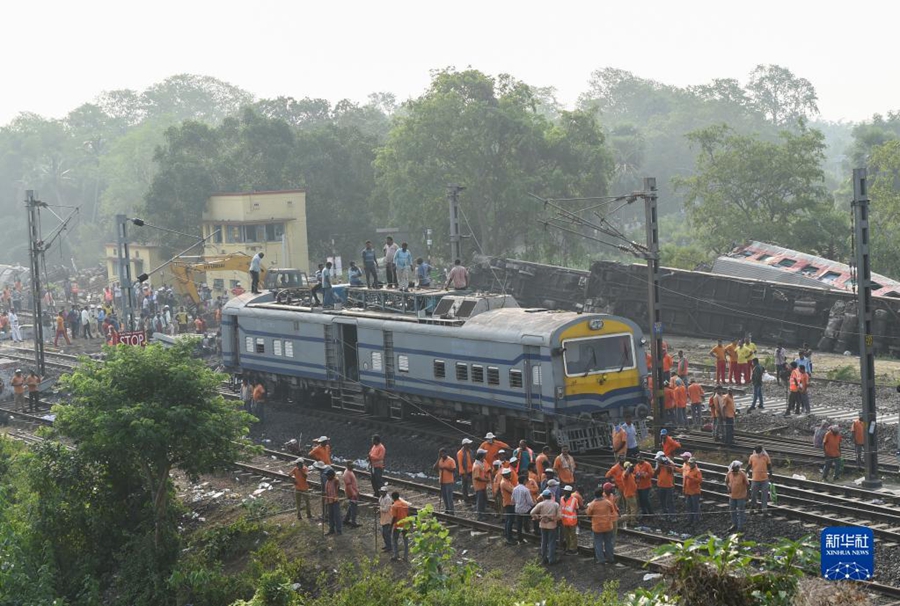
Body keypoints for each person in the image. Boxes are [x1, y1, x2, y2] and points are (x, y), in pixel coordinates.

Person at [586, 488, 618, 564]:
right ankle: (610, 559)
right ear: (602, 494)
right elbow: (612, 510)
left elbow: (588, 513)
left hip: (597, 527)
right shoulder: (607, 502)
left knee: (598, 544)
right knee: (608, 543)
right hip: (608, 526)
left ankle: (601, 560)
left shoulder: (592, 504)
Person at [530, 489, 561, 565]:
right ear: (550, 496)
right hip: (552, 526)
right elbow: (559, 516)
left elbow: (532, 513)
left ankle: (544, 559)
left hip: (543, 525)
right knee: (551, 542)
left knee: (544, 542)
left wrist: (537, 517)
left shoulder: (540, 504)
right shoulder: (555, 504)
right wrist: (553, 519)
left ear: (543, 496)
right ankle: (551, 559)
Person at [725, 460, 749, 532]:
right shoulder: (729, 473)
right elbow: (726, 481)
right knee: (732, 511)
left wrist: (747, 495)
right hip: (732, 496)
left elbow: (747, 484)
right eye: (736, 467)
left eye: (738, 467)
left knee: (741, 512)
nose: (738, 468)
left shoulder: (742, 474)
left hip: (741, 496)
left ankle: (740, 526)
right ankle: (734, 524)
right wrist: (728, 487)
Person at [748, 445, 771, 513]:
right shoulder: (752, 457)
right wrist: (746, 472)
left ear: (762, 451)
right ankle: (752, 508)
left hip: (764, 479)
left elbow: (769, 466)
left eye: (759, 451)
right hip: (755, 479)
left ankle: (764, 510)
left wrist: (770, 474)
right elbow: (749, 465)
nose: (758, 453)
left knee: (764, 495)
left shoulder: (766, 457)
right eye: (757, 451)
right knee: (753, 495)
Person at [512, 475, 534, 543]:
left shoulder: (514, 489)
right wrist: (534, 506)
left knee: (519, 524)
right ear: (524, 481)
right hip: (525, 509)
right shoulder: (526, 490)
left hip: (517, 508)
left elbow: (512, 500)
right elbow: (530, 501)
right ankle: (531, 530)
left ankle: (520, 539)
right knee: (532, 518)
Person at [390, 491, 411, 561]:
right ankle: (406, 557)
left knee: (395, 540)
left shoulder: (394, 506)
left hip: (398, 525)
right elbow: (408, 515)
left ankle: (396, 555)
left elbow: (394, 517)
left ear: (393, 498)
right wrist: (410, 524)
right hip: (405, 525)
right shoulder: (405, 504)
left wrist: (390, 527)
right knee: (406, 541)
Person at [435, 448, 457, 514]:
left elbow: (454, 470)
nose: (443, 455)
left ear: (446, 453)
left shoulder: (451, 460)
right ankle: (447, 509)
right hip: (442, 481)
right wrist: (438, 458)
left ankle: (451, 511)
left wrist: (445, 468)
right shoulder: (440, 460)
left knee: (449, 497)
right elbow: (434, 468)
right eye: (441, 454)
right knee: (444, 496)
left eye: (444, 453)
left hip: (449, 481)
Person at [559, 485, 579, 554]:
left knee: (573, 535)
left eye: (566, 491)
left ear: (570, 492)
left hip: (572, 521)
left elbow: (577, 510)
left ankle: (573, 549)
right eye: (565, 491)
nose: (565, 492)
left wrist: (578, 520)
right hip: (564, 520)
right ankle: (568, 547)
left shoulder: (574, 500)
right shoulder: (561, 498)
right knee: (566, 535)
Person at [633, 453, 654, 519]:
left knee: (645, 499)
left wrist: (643, 475)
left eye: (640, 458)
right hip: (639, 486)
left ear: (643, 458)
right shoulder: (636, 466)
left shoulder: (647, 465)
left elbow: (651, 473)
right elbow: (633, 474)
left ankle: (651, 513)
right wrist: (636, 476)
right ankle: (644, 513)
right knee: (641, 500)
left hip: (646, 485)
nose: (639, 460)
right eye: (638, 459)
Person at [655, 453, 676, 518]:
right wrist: (659, 465)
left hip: (669, 486)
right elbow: (656, 472)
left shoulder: (670, 462)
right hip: (660, 485)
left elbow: (670, 471)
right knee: (662, 501)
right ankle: (665, 514)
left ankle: (672, 516)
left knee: (670, 502)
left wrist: (666, 463)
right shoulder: (658, 462)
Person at [683, 459, 703, 527]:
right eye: (689, 463)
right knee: (689, 507)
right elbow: (685, 480)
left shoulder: (697, 471)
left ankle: (696, 521)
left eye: (691, 463)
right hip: (688, 491)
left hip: (695, 492)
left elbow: (700, 480)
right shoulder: (688, 470)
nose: (690, 464)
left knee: (695, 507)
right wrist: (684, 488)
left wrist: (691, 478)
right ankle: (690, 520)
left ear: (695, 463)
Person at [499, 468, 516, 544]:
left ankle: (507, 534)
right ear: (505, 475)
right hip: (508, 503)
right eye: (508, 474)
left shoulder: (507, 481)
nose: (510, 475)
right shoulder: (504, 483)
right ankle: (509, 538)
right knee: (510, 521)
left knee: (508, 520)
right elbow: (513, 490)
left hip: (510, 502)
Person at [472, 449, 490, 520]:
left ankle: (483, 513)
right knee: (480, 501)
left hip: (482, 486)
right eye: (484, 455)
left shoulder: (480, 463)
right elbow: (477, 477)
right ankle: (480, 516)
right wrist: (486, 480)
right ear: (481, 456)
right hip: (479, 486)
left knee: (483, 500)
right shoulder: (477, 466)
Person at [324, 468, 342, 535]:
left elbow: (338, 487)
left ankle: (339, 530)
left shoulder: (335, 481)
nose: (327, 477)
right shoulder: (327, 482)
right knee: (330, 516)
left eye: (328, 475)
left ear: (332, 475)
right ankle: (331, 529)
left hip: (335, 501)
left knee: (337, 516)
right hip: (329, 501)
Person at [342, 462, 360, 527]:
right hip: (351, 493)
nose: (352, 467)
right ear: (347, 466)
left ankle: (346, 520)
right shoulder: (347, 474)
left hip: (353, 491)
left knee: (351, 506)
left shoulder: (349, 471)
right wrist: (353, 493)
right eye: (351, 465)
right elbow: (348, 485)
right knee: (354, 508)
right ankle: (353, 522)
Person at [378, 485, 393, 552]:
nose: (382, 493)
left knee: (386, 533)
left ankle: (389, 547)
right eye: (381, 491)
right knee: (384, 533)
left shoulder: (388, 499)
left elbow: (386, 509)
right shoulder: (381, 497)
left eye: (383, 492)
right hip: (383, 517)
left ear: (386, 492)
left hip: (388, 518)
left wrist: (379, 509)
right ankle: (387, 545)